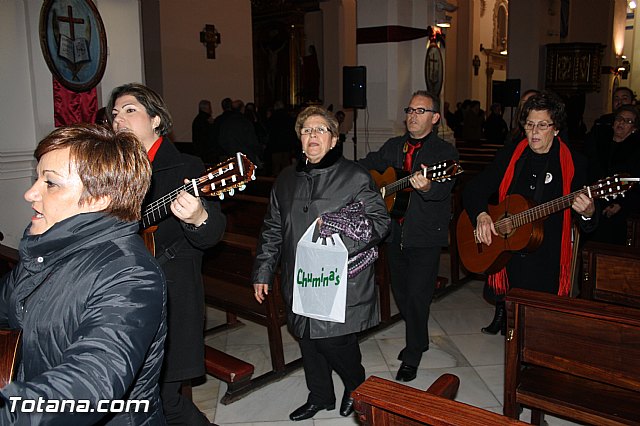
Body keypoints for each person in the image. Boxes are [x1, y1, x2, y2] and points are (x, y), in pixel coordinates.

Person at [0, 124, 166, 424]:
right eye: (36, 178)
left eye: (50, 183)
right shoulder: (45, 249)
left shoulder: (131, 274)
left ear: (98, 199)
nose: (30, 193)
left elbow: (90, 386)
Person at [252, 106, 390, 421]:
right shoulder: (286, 179)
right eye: (306, 130)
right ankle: (321, 396)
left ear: (333, 139)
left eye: (320, 130)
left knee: (335, 340)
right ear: (300, 139)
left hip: (340, 280)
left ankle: (357, 387)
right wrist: (262, 271)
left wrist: (341, 246)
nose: (313, 135)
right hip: (298, 277)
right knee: (308, 339)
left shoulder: (354, 176)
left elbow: (381, 222)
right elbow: (273, 229)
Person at [107, 83, 226, 425]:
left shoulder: (186, 166)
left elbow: (214, 231)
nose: (119, 119)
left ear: (156, 120)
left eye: (130, 110)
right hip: (122, 294)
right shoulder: (113, 171)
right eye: (115, 114)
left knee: (165, 399)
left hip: (171, 293)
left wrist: (198, 217)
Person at [463, 91, 596, 335]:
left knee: (539, 329)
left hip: (547, 259)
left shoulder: (575, 162)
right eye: (530, 124)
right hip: (510, 257)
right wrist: (481, 215)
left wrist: (587, 212)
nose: (534, 132)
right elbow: (473, 190)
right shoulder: (511, 155)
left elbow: (587, 224)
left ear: (556, 129)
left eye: (542, 125)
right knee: (514, 331)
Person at [358, 90, 459, 382]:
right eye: (410, 110)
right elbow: (366, 165)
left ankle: (413, 351)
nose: (413, 116)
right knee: (400, 291)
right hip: (394, 232)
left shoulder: (444, 154)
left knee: (418, 295)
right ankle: (421, 338)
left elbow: (445, 188)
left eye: (420, 111)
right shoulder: (394, 146)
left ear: (435, 118)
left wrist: (428, 188)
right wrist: (370, 187)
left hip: (426, 235)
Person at [586, 104, 640, 245]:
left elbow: (635, 181)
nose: (621, 123)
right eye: (619, 118)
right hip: (594, 201)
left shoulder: (636, 151)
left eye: (628, 121)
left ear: (634, 129)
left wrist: (621, 204)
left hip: (619, 207)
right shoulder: (599, 142)